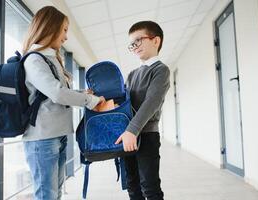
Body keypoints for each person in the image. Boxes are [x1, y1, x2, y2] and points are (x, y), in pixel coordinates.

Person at [22, 6, 105, 200]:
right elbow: (57, 94)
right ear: (49, 28)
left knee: (55, 193)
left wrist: (81, 93)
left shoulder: (51, 59)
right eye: (64, 30)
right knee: (47, 196)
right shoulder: (34, 60)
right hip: (42, 139)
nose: (66, 37)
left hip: (57, 135)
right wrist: (90, 100)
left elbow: (55, 93)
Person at [115, 21, 170, 200]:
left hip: (146, 136)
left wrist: (132, 130)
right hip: (128, 137)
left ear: (156, 41)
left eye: (139, 40)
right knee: (132, 185)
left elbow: (151, 102)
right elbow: (122, 103)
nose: (135, 46)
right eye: (132, 44)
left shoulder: (161, 70)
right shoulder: (132, 74)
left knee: (150, 187)